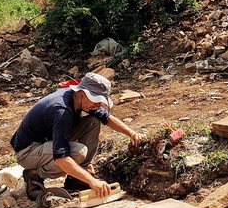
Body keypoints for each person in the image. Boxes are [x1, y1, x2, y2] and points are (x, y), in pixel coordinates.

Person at [10, 72, 145, 200]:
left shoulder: (77, 99)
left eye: (100, 100)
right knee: (78, 152)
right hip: (27, 152)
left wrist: (132, 134)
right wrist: (92, 181)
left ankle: (76, 178)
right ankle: (34, 175)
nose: (98, 104)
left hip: (47, 141)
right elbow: (61, 158)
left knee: (93, 121)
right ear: (81, 92)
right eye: (95, 99)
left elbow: (107, 118)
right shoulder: (61, 111)